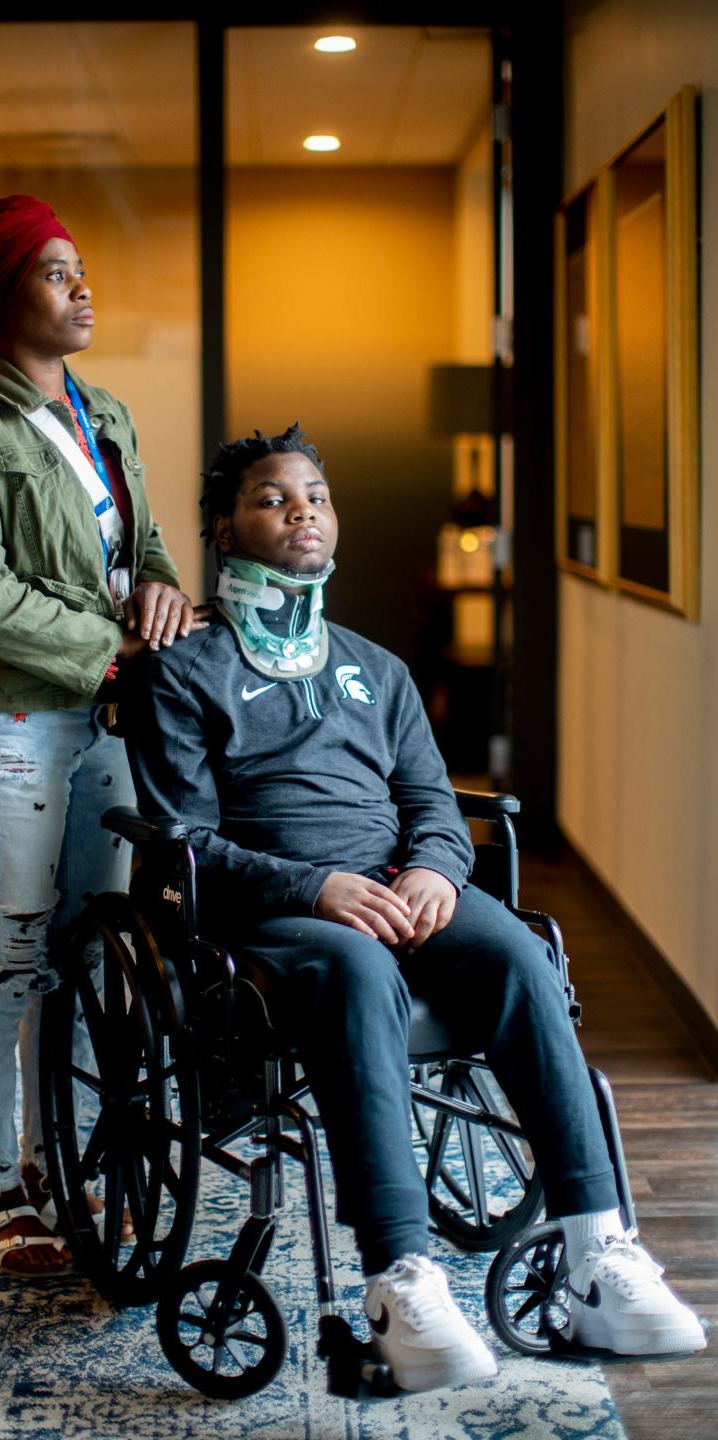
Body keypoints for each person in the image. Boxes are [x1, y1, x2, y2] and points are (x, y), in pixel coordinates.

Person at [124, 423, 707, 1392]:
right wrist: (318, 887)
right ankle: (401, 1279)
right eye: (273, 497)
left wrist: (437, 868)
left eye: (315, 494)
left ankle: (600, 1248)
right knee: (355, 968)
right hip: (278, 917)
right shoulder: (181, 673)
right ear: (224, 531)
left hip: (404, 889)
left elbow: (434, 804)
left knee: (521, 953)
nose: (302, 509)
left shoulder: (376, 668)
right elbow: (189, 845)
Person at [0, 194, 203, 1273]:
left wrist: (166, 596)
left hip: (111, 716)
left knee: (95, 949)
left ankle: (70, 1161)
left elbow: (152, 547)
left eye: (81, 268)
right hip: (10, 721)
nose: (82, 289)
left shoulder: (108, 413)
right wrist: (110, 644)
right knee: (8, 957)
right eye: (53, 271)